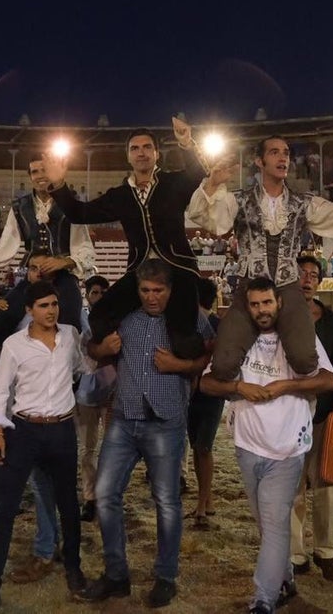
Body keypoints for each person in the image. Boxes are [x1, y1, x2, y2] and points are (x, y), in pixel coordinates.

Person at [78, 259, 216, 608]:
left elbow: (208, 355)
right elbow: (90, 348)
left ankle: (166, 577)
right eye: (145, 290)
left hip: (166, 420)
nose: (152, 297)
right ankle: (116, 574)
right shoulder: (124, 315)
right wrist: (101, 350)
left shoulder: (189, 316)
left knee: (167, 503)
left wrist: (180, 366)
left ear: (169, 290)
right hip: (124, 419)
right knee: (105, 495)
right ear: (136, 290)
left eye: (158, 291)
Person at [186, 136, 333, 379]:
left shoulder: (303, 203)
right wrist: (212, 183)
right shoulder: (239, 199)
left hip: (288, 286)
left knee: (304, 360)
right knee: (223, 365)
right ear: (259, 161)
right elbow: (204, 217)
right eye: (275, 152)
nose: (283, 157)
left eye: (286, 153)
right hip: (249, 287)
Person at [199, 277, 333, 614]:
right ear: (247, 308)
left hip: (287, 448)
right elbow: (205, 382)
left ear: (279, 303)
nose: (262, 310)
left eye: (267, 303)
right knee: (267, 524)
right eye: (255, 304)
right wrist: (240, 388)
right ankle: (286, 578)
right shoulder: (238, 341)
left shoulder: (299, 340)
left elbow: (329, 379)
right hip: (247, 446)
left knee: (274, 524)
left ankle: (263, 598)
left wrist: (286, 385)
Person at [0, 281, 86, 614]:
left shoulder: (70, 336)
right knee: (5, 510)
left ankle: (74, 568)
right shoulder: (14, 345)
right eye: (43, 305)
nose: (51, 311)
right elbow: (0, 392)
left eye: (54, 304)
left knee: (69, 504)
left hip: (61, 430)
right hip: (23, 432)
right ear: (29, 310)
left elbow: (78, 369)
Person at [47, 118, 209, 362]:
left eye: (146, 148)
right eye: (135, 148)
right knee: (98, 318)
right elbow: (78, 213)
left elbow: (197, 173)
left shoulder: (174, 183)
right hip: (140, 271)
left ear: (157, 154)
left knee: (184, 341)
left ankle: (198, 381)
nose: (141, 153)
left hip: (179, 268)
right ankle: (124, 365)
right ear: (128, 156)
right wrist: (58, 184)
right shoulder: (119, 196)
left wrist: (186, 142)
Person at [289, 256, 333, 582]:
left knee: (328, 485)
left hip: (325, 415)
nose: (307, 279)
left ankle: (326, 551)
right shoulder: (281, 316)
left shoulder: (331, 323)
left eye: (313, 274)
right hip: (289, 416)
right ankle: (295, 553)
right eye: (302, 273)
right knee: (293, 487)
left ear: (320, 282)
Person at [0, 154, 94, 333]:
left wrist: (63, 262)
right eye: (35, 171)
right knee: (0, 324)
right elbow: (6, 245)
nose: (39, 175)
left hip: (62, 277)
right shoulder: (19, 207)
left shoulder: (70, 204)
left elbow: (84, 247)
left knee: (70, 322)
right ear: (30, 176)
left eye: (44, 170)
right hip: (32, 278)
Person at [75, 275, 113, 523]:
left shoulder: (116, 319)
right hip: (86, 391)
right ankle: (91, 497)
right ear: (87, 294)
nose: (98, 297)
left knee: (112, 448)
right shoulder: (78, 320)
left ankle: (107, 495)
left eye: (102, 292)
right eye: (94, 292)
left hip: (111, 390)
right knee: (87, 449)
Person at [186, 278, 222, 528]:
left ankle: (203, 503)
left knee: (202, 447)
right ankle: (205, 500)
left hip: (203, 390)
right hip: (206, 391)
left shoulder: (203, 324)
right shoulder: (216, 323)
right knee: (200, 447)